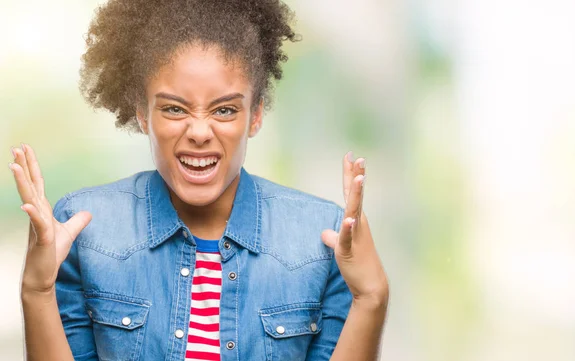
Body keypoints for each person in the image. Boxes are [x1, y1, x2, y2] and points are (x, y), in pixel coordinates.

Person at [11, 0, 389, 360]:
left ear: (255, 115)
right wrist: (37, 290)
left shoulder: (322, 239)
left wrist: (371, 296)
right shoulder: (83, 231)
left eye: (224, 109)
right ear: (142, 113)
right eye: (174, 108)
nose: (199, 131)